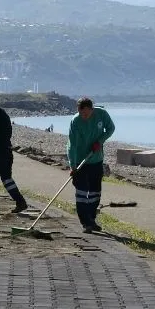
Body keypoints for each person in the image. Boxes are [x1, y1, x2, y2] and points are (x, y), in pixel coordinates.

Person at [67, 97, 115, 233]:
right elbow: (72, 145)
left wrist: (100, 141)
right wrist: (72, 166)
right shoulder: (75, 121)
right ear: (78, 110)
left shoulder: (102, 114)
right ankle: (85, 223)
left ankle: (91, 219)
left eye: (86, 114)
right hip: (80, 162)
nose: (84, 116)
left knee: (95, 193)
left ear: (92, 110)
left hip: (96, 159)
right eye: (81, 113)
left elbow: (111, 128)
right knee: (81, 193)